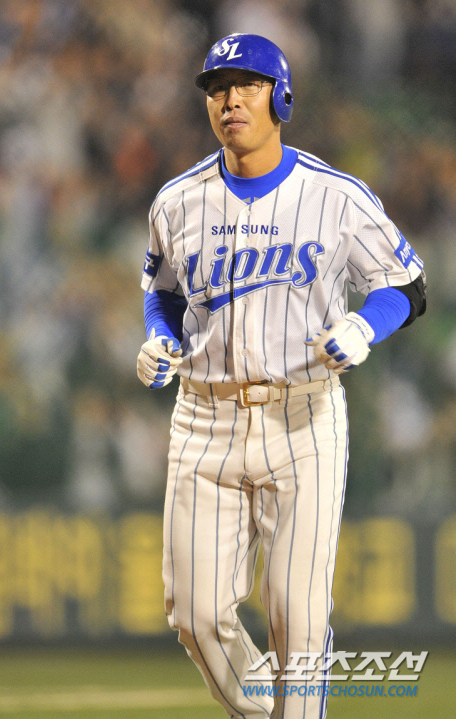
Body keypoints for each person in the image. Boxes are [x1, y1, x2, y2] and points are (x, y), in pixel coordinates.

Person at [136, 33, 426, 719]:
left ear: (282, 97)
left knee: (298, 614)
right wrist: (158, 335)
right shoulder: (176, 202)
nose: (230, 100)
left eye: (248, 84)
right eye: (217, 88)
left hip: (304, 417)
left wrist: (364, 326)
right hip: (204, 418)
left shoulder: (335, 195)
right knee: (195, 615)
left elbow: (407, 285)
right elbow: (164, 292)